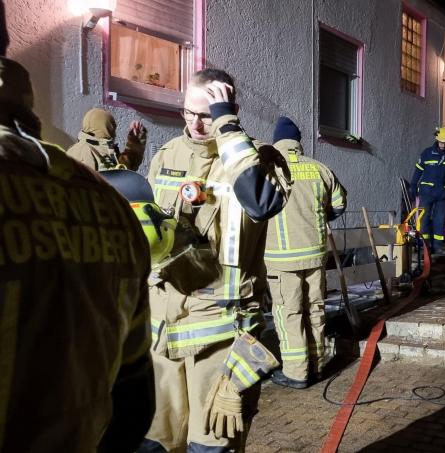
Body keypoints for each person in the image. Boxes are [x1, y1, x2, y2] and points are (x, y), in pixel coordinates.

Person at [0, 6, 155, 450]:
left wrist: (132, 149)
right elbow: (133, 401)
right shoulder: (102, 196)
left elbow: (123, 169)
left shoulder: (99, 163)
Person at [140, 69, 289, 452]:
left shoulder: (260, 160)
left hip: (221, 334)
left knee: (211, 445)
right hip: (164, 331)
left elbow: (261, 201)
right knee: (156, 442)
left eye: (207, 114)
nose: (195, 123)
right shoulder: (167, 155)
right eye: (189, 112)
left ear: (229, 111)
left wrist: (226, 127)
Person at [263, 116, 347, 389]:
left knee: (290, 313)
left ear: (277, 142)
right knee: (315, 309)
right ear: (298, 142)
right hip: (314, 256)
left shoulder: (267, 169)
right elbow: (338, 204)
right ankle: (318, 365)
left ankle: (297, 373)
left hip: (280, 260)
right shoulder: (319, 169)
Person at [408, 126, 445, 253]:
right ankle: (425, 246)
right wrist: (413, 185)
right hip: (427, 192)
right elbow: (418, 170)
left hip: (442, 194)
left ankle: (438, 246)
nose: (444, 145)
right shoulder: (427, 153)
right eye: (441, 142)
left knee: (440, 220)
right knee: (424, 219)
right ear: (437, 139)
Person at [66, 107, 147, 171]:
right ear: (104, 128)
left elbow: (125, 170)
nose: (114, 134)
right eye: (111, 129)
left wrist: (135, 139)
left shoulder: (102, 150)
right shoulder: (83, 152)